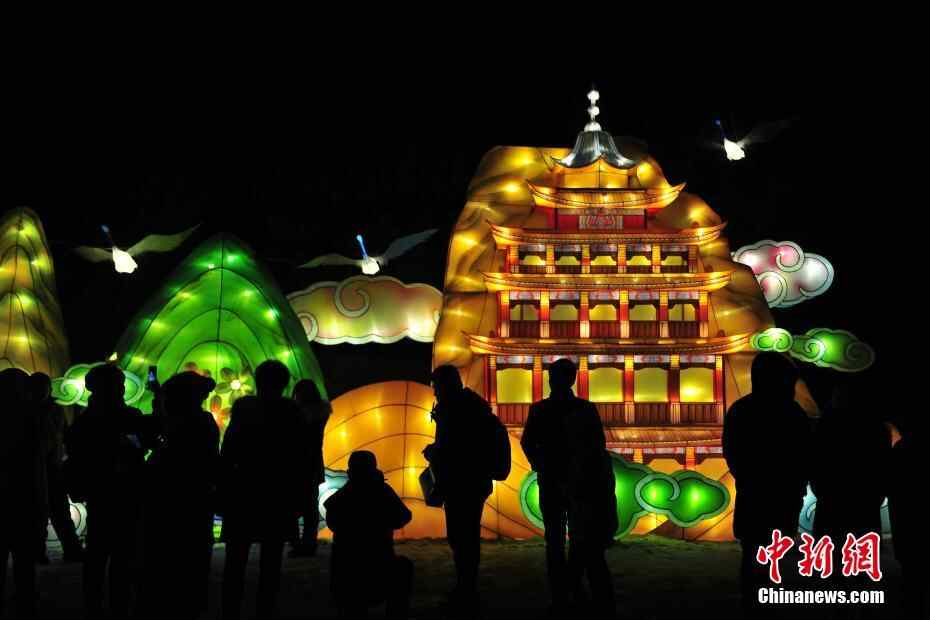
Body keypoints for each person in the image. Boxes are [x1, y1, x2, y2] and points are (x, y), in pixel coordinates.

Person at [219, 360, 314, 620]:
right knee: (271, 562)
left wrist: (223, 485)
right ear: (284, 384)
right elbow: (301, 456)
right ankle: (265, 610)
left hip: (243, 491)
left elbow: (229, 449)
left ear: (258, 380)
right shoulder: (292, 411)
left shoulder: (243, 407)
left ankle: (230, 611)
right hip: (277, 493)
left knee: (235, 560)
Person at [521, 358, 616, 615]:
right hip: (575, 483)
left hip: (561, 482)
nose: (553, 382)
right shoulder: (585, 409)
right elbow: (598, 446)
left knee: (558, 541)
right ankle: (573, 592)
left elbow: (527, 443)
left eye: (554, 377)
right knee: (573, 540)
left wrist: (540, 463)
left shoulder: (541, 410)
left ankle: (563, 595)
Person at [722, 352, 812, 617]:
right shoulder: (793, 413)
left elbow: (732, 451)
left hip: (754, 494)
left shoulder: (741, 410)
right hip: (782, 495)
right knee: (771, 557)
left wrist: (747, 477)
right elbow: (805, 454)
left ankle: (753, 603)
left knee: (753, 554)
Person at [66, 363, 149, 620]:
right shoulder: (129, 416)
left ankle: (95, 607)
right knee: (121, 557)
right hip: (124, 495)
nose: (122, 388)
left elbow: (76, 456)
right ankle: (117, 607)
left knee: (98, 555)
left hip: (101, 495)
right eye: (118, 384)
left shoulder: (85, 421)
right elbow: (142, 445)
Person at [139, 371, 220, 620]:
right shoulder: (204, 421)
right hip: (196, 496)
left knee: (164, 555)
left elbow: (148, 444)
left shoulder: (169, 423)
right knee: (193, 557)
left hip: (168, 496)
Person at [423, 365, 495, 615]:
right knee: (467, 535)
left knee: (462, 537)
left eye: (436, 387)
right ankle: (467, 585)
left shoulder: (453, 410)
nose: (435, 393)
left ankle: (466, 588)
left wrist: (435, 453)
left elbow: (455, 449)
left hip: (460, 482)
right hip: (475, 481)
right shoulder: (474, 405)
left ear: (445, 385)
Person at [324, 450, 413, 619]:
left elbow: (332, 523)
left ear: (350, 471)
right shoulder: (383, 491)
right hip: (380, 570)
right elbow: (404, 516)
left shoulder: (341, 496)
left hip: (347, 575)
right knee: (404, 567)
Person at [811, 381, 891, 543]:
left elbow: (815, 463)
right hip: (865, 506)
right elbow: (883, 467)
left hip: (831, 505)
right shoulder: (877, 427)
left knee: (830, 552)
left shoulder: (826, 425)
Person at [0, 367, 44, 619]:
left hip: (11, 501)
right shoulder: (31, 421)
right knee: (24, 564)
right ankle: (26, 606)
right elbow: (36, 470)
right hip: (23, 503)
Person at [29, 371, 84, 564]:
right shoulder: (55, 410)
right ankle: (69, 550)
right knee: (56, 512)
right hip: (50, 466)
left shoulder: (32, 411)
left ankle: (40, 552)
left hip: (43, 467)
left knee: (43, 512)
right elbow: (64, 435)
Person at [889, 412, 928, 618]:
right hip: (914, 514)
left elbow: (889, 483)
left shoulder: (900, 450)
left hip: (904, 514)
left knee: (909, 562)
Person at [289, 378, 331, 558]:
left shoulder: (296, 416)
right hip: (312, 463)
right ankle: (308, 542)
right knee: (310, 507)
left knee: (293, 506)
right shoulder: (321, 413)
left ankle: (298, 542)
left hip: (297, 464)